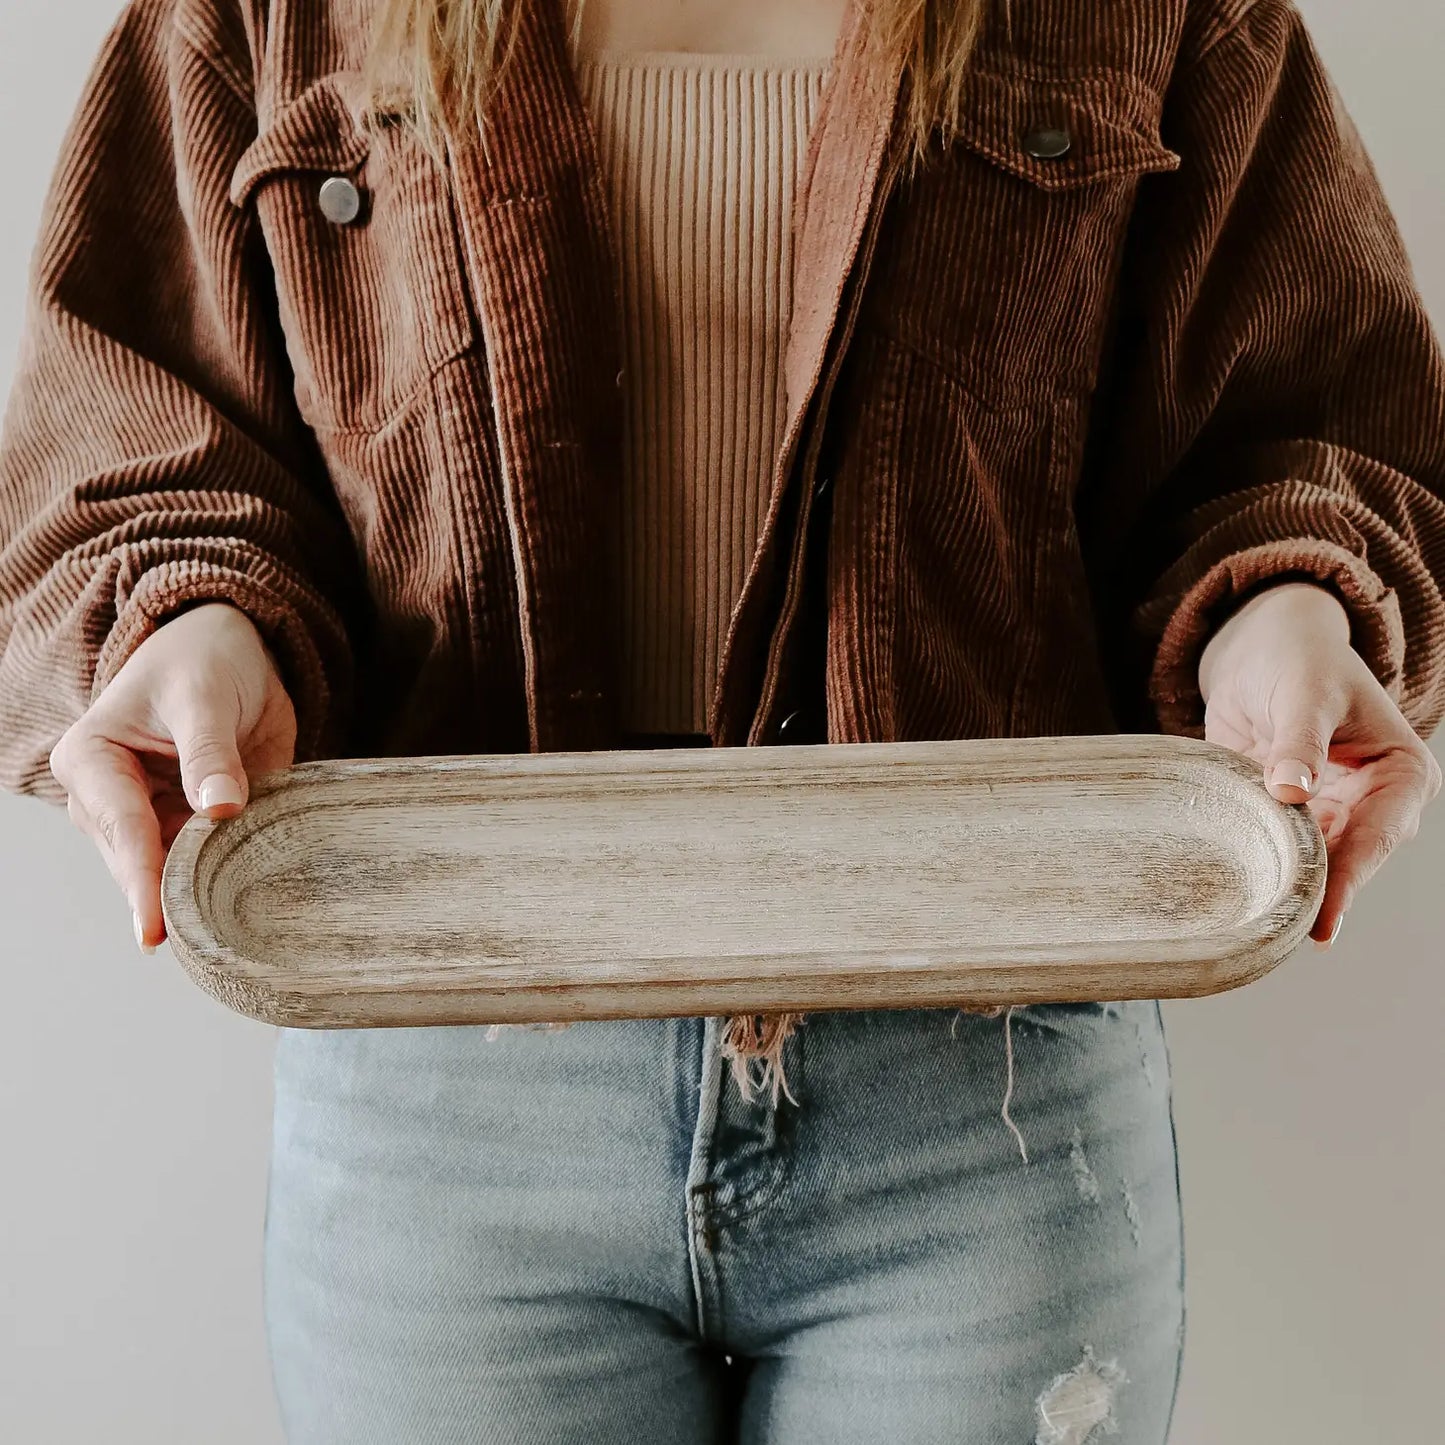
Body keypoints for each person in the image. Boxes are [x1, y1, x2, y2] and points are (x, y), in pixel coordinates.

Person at [1, 0, 1441, 1439]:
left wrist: (1287, 611)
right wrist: (191, 625)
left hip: (981, 1071)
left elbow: (1304, 419)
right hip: (448, 1066)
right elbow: (137, 425)